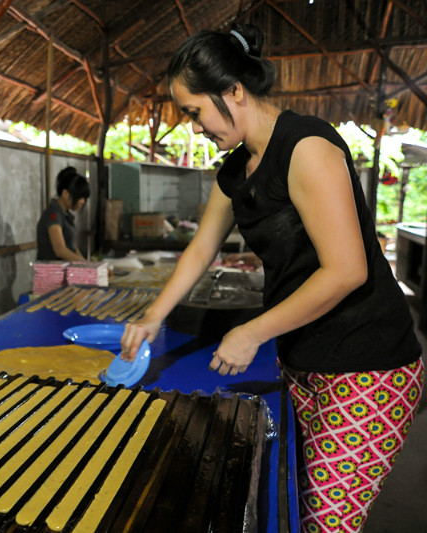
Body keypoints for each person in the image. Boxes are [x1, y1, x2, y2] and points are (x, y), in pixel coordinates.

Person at [120, 23, 424, 533]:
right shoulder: (237, 170)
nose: (195, 128)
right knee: (299, 504)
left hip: (368, 369)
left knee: (327, 525)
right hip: (306, 363)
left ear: (234, 91)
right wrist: (152, 317)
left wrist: (252, 331)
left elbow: (348, 270)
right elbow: (201, 249)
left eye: (195, 111)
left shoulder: (307, 147)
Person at [36, 166, 90, 261]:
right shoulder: (53, 215)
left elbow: (73, 248)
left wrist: (89, 266)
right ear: (65, 194)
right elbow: (60, 250)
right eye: (80, 197)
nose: (82, 202)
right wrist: (87, 265)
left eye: (84, 198)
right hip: (51, 273)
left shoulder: (66, 215)